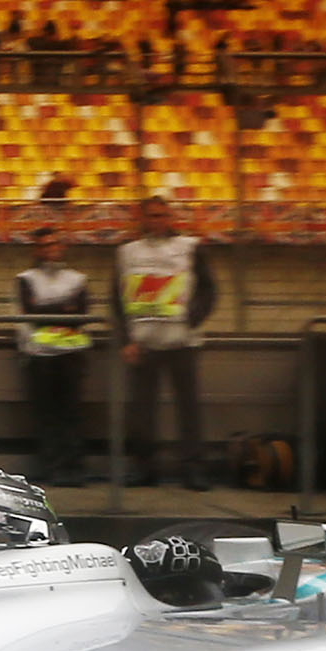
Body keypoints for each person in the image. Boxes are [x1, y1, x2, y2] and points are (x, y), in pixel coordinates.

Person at [115, 195, 227, 488]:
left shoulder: (190, 247)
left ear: (170, 218)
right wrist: (125, 340)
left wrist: (193, 318)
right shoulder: (127, 253)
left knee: (189, 409)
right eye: (152, 216)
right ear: (143, 219)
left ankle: (193, 468)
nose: (158, 221)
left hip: (182, 342)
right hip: (143, 343)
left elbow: (209, 289)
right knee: (142, 410)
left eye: (162, 215)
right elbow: (118, 299)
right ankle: (143, 468)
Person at [11, 227, 98, 488]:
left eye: (54, 244)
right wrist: (62, 309)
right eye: (44, 245)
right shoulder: (26, 279)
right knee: (46, 414)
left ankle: (74, 468)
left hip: (71, 354)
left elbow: (80, 314)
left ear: (63, 247)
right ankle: (53, 467)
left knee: (71, 413)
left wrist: (45, 310)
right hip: (39, 355)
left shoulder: (77, 279)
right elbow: (28, 313)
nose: (50, 250)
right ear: (36, 250)